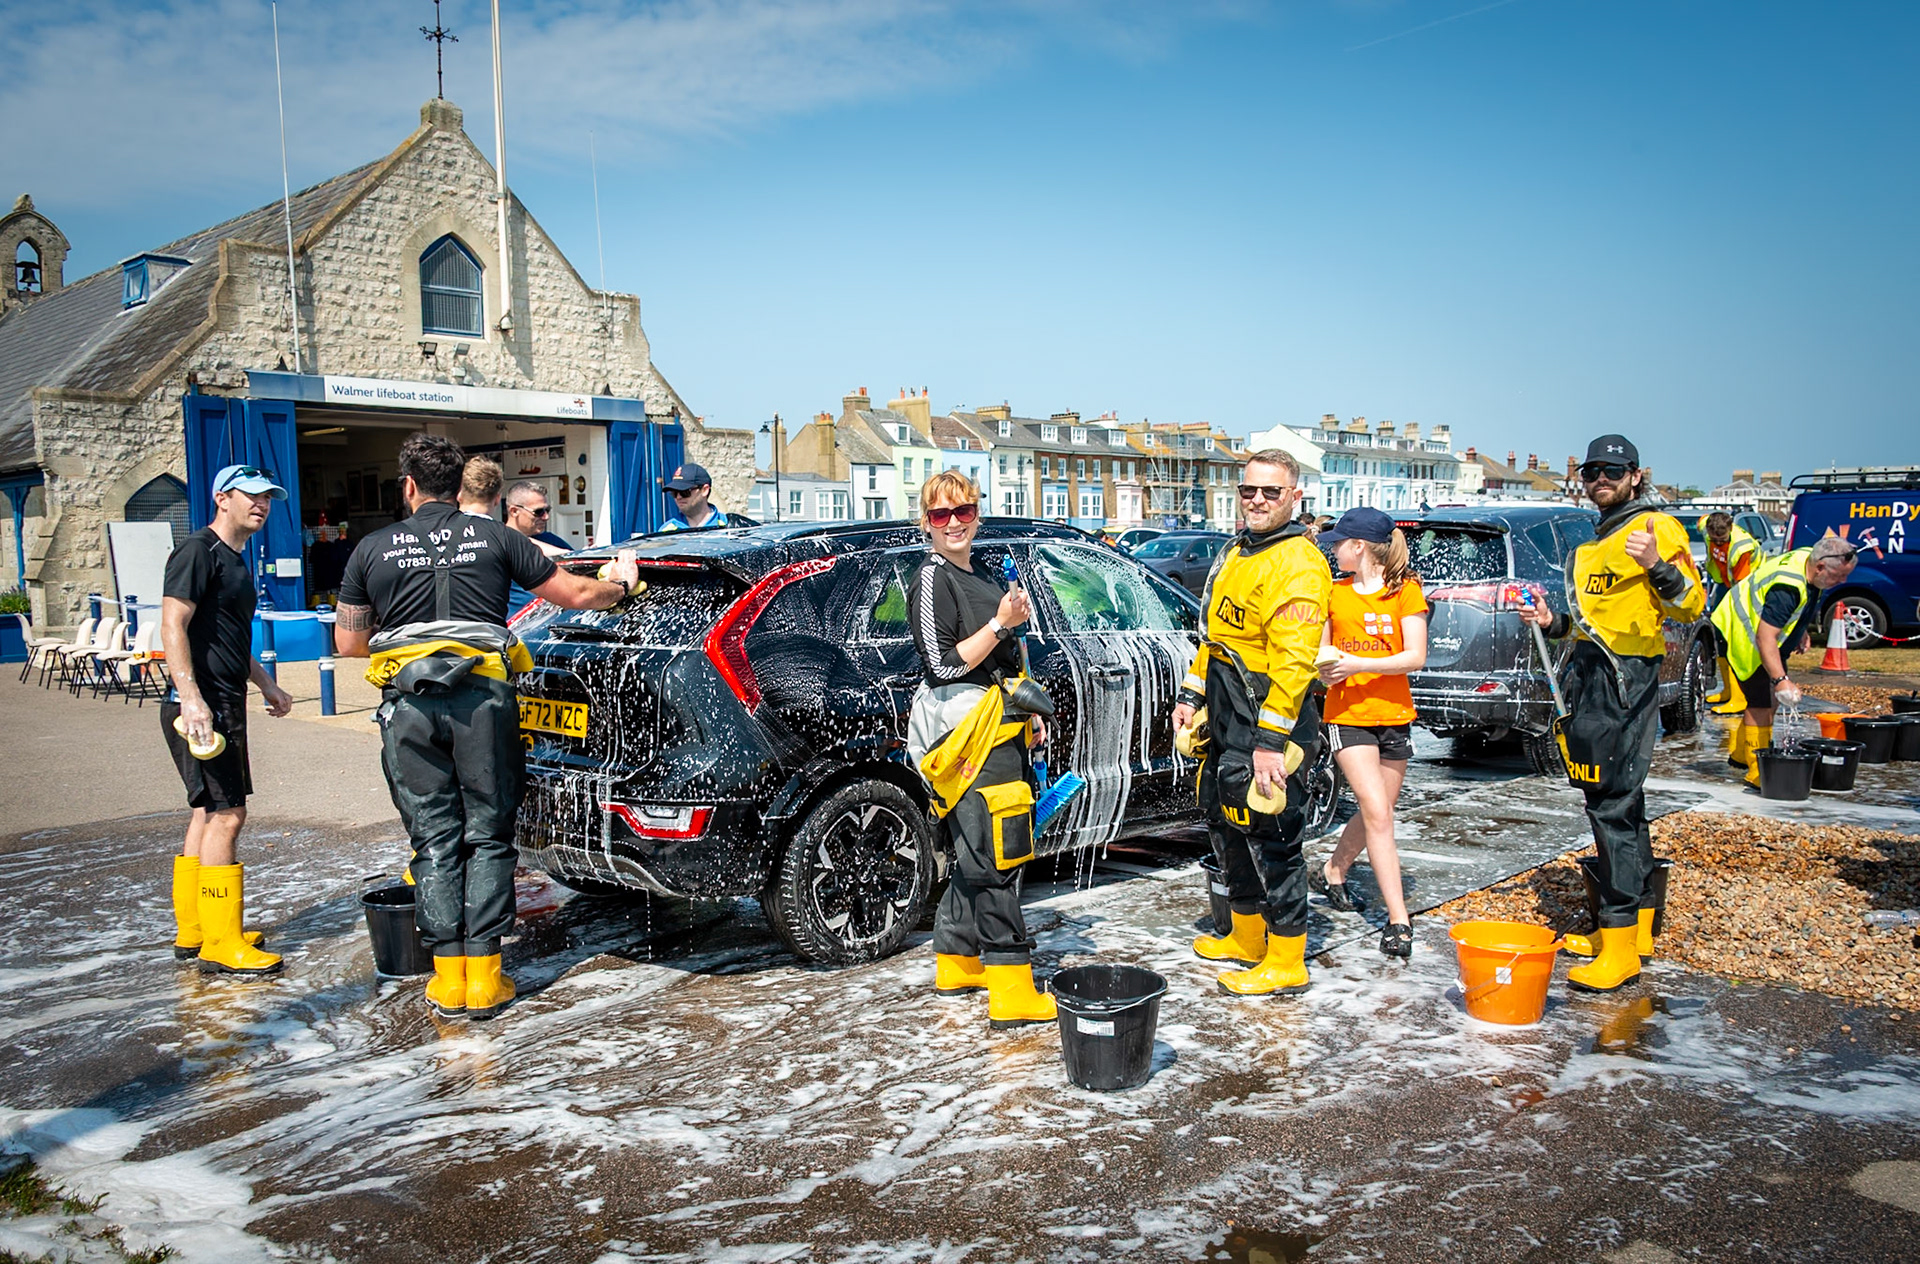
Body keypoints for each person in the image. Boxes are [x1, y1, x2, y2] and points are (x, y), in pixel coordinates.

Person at [333, 434, 639, 1020]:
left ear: (408, 487)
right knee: (489, 831)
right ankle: (487, 980)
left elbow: (348, 641)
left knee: (435, 836)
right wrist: (620, 586)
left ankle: (448, 980)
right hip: (484, 701)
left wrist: (413, 635)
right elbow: (574, 593)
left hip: (410, 707)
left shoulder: (372, 548)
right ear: (460, 487)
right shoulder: (497, 538)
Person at [1520, 435, 1704, 991]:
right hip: (1590, 676)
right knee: (1621, 801)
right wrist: (1552, 621)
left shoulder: (1654, 529)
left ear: (1636, 476)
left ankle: (1620, 940)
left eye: (1613, 471)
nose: (1602, 479)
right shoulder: (1592, 542)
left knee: (1611, 803)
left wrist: (1657, 567)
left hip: (1627, 679)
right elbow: (1584, 626)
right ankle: (1633, 932)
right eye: (1594, 471)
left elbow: (1691, 604)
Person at [1175, 449, 1332, 996]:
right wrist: (1192, 696)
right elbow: (1214, 639)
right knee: (1223, 822)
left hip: (1273, 720)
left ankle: (1287, 955)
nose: (1258, 500)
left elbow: (1294, 663)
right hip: (1225, 713)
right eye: (1249, 491)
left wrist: (1271, 743)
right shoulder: (1235, 552)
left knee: (1275, 836)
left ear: (1295, 497)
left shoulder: (1300, 562)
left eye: (1271, 492)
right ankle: (1246, 935)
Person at [905, 470, 1056, 1029]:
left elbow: (1006, 659)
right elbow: (942, 665)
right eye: (940, 515)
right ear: (926, 521)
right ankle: (1012, 986)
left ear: (977, 514)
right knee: (998, 852)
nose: (953, 524)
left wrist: (1029, 714)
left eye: (962, 511)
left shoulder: (982, 573)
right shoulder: (932, 577)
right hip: (967, 733)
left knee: (975, 851)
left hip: (1003, 724)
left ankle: (957, 958)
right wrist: (999, 621)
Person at [160, 464, 296, 975]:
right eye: (251, 495)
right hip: (203, 706)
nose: (261, 504)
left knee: (205, 810)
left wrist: (267, 684)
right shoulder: (198, 550)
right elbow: (172, 621)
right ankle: (222, 941)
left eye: (268, 497)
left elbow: (227, 638)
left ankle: (194, 929)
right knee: (227, 815)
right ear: (222, 498)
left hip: (219, 699)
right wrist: (190, 697)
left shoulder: (236, 559)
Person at [1310, 507, 1428, 959]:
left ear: (1359, 547)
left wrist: (1359, 664)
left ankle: (1335, 870)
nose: (1333, 549)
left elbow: (1415, 656)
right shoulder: (1332, 594)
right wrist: (1325, 671)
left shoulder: (1405, 592)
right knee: (1378, 811)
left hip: (1394, 715)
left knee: (1380, 810)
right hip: (1348, 716)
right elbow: (1323, 656)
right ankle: (1398, 920)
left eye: (1339, 542)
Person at [1711, 536, 1859, 787]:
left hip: (1761, 633)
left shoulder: (1808, 559)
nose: (1841, 582)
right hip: (1742, 632)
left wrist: (1800, 629)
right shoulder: (1787, 587)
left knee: (1773, 701)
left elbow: (1804, 599)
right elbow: (1765, 637)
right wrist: (1780, 680)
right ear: (1820, 566)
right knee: (1761, 703)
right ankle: (1759, 771)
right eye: (1838, 576)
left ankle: (1739, 755)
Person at [1700, 511, 1763, 715]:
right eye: (1714, 540)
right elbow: (1702, 519)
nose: (1718, 544)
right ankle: (1727, 690)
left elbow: (1741, 585)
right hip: (1725, 585)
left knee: (1733, 639)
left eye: (1722, 540)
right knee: (1718, 635)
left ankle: (1740, 696)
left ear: (1730, 530)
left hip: (1747, 588)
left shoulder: (1741, 548)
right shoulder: (1705, 528)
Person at [503, 479, 572, 616]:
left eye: (547, 510)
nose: (545, 517)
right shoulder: (498, 544)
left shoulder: (552, 540)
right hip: (513, 628)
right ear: (514, 511)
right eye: (539, 512)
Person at [661, 463, 726, 531]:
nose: (678, 497)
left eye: (685, 492)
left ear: (704, 490)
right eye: (674, 493)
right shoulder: (667, 531)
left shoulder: (728, 526)